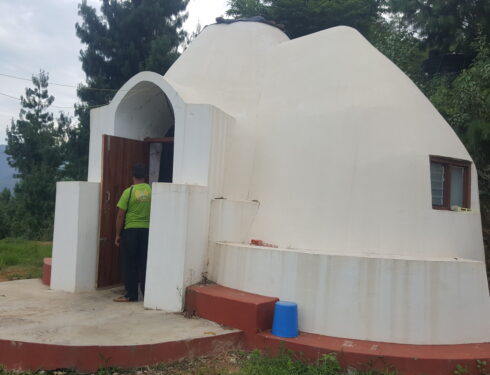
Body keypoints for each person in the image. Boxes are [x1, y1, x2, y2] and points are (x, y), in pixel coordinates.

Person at [113, 163, 152, 302]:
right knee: (144, 262)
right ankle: (147, 294)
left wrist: (118, 234)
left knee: (129, 263)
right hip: (147, 231)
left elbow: (120, 215)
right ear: (145, 175)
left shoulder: (128, 192)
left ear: (133, 176)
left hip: (130, 231)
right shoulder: (151, 191)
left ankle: (131, 294)